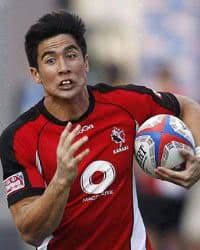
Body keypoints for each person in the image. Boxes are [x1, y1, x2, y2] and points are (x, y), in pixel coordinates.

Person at [0, 10, 200, 250]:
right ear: (36, 74)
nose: (63, 67)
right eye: (50, 60)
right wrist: (61, 181)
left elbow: (187, 107)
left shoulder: (124, 103)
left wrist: (198, 155)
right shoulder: (19, 138)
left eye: (71, 55)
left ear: (86, 63)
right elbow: (30, 232)